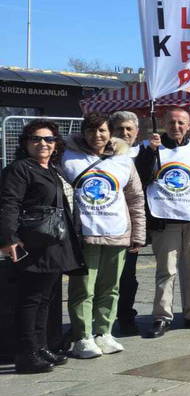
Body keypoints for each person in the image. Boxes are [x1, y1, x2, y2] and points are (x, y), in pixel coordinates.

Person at [60, 113, 146, 359]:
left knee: (111, 287)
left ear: (111, 133)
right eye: (91, 130)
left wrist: (138, 233)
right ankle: (82, 336)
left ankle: (103, 332)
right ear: (83, 132)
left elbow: (135, 199)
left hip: (117, 233)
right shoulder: (68, 155)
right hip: (84, 234)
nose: (97, 135)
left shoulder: (124, 159)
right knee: (83, 289)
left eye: (102, 131)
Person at [1, 121, 84, 372]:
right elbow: (8, 204)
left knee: (45, 299)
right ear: (26, 143)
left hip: (54, 242)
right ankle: (26, 354)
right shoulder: (19, 169)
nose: (43, 144)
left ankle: (40, 347)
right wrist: (8, 239)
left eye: (49, 140)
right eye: (36, 139)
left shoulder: (51, 169)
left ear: (56, 144)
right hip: (33, 242)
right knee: (30, 299)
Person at [136, 107, 190, 337]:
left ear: (189, 125)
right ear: (164, 123)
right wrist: (150, 153)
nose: (176, 127)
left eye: (181, 123)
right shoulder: (151, 148)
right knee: (166, 271)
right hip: (165, 219)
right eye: (172, 123)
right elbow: (139, 179)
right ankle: (162, 317)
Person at [108, 110, 144, 337]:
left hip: (130, 225)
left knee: (127, 277)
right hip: (104, 225)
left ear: (137, 132)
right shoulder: (103, 154)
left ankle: (126, 316)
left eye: (129, 128)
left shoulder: (145, 154)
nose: (125, 132)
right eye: (120, 128)